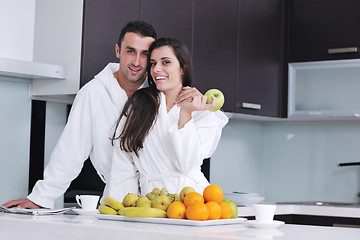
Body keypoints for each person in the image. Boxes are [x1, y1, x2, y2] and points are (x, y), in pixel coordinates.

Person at [2, 21, 200, 209]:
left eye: (145, 54)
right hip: (119, 198)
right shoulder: (93, 94)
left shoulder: (161, 91)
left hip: (167, 199)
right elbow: (70, 152)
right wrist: (40, 198)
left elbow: (188, 140)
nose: (137, 62)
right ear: (117, 51)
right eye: (130, 51)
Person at [111, 38, 228, 196]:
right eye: (153, 63)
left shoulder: (203, 111)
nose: (156, 69)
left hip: (192, 201)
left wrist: (185, 113)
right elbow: (123, 161)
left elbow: (186, 164)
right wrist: (121, 205)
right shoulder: (139, 105)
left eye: (165, 62)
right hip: (150, 201)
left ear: (182, 68)